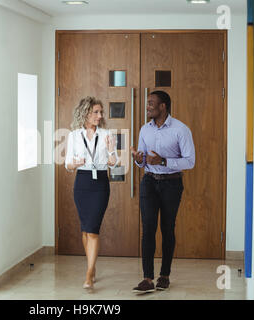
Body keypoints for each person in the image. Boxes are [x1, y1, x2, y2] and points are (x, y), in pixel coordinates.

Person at [131, 90, 195, 294]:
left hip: (171, 184)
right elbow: (142, 161)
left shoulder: (181, 130)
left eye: (151, 103)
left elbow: (190, 161)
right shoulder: (144, 130)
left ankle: (164, 275)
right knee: (148, 228)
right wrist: (138, 158)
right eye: (147, 103)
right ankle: (147, 278)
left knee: (167, 229)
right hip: (149, 182)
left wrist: (164, 161)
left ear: (163, 106)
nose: (147, 106)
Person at [65, 96, 119, 289]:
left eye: (101, 112)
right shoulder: (74, 135)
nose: (100, 115)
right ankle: (92, 266)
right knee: (85, 230)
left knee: (93, 229)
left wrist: (112, 151)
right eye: (96, 112)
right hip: (82, 182)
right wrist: (76, 163)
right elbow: (67, 165)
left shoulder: (106, 134)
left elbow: (115, 162)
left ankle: (89, 273)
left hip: (100, 184)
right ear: (86, 113)